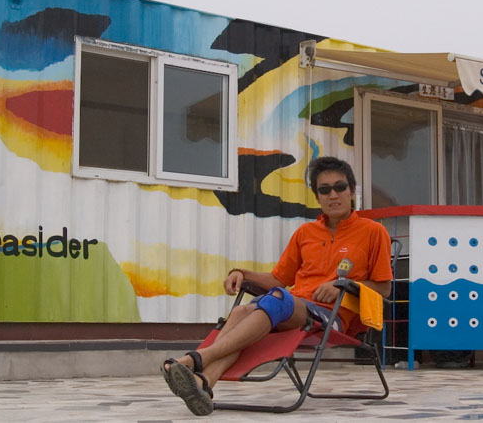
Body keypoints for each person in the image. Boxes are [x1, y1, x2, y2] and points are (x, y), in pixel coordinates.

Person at [161, 156, 393, 416]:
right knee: (241, 312)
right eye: (324, 190)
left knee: (275, 300)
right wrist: (241, 273)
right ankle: (204, 382)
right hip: (292, 309)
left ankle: (195, 358)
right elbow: (278, 279)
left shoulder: (373, 232)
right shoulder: (305, 233)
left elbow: (384, 288)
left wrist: (343, 284)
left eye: (340, 187)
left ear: (351, 190)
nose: (333, 195)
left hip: (334, 317)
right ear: (317, 196)